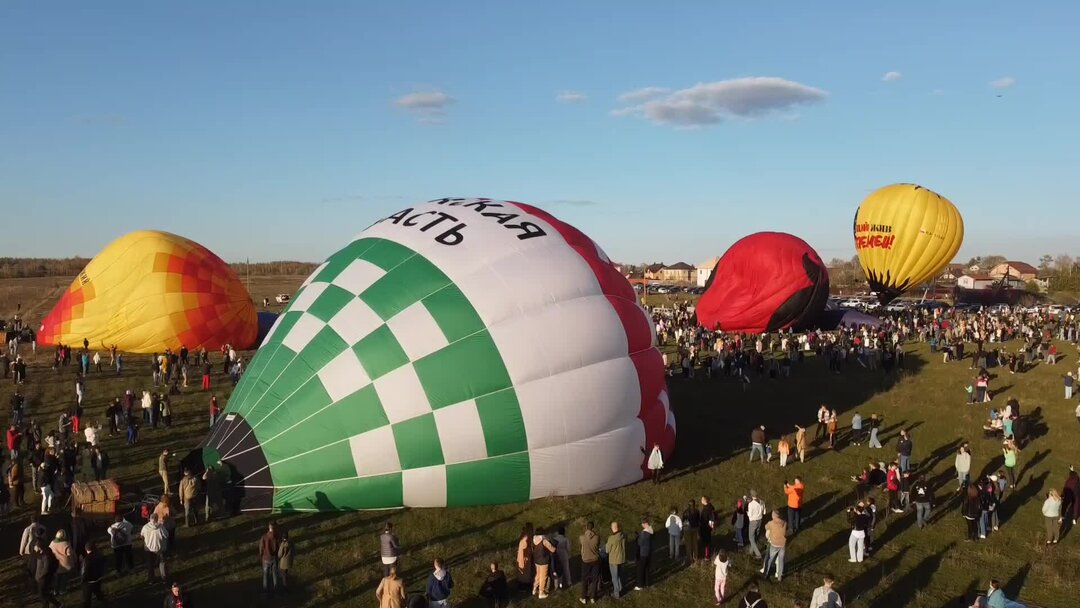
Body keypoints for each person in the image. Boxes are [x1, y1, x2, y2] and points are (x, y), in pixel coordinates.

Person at [32, 540, 62, 608]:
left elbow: (46, 568)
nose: (34, 547)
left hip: (43, 579)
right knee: (45, 594)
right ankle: (58, 604)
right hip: (40, 578)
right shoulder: (40, 553)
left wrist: (40, 576)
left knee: (43, 595)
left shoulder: (46, 555)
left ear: (39, 547)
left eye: (35, 546)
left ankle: (51, 605)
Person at [760, 510, 786, 582]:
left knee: (769, 559)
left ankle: (765, 574)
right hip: (782, 544)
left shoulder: (771, 523)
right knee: (781, 560)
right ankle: (780, 577)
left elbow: (766, 527)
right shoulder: (784, 523)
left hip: (774, 544)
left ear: (773, 516)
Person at [141, 513, 168, 583]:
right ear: (156, 519)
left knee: (150, 565)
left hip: (149, 549)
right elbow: (166, 535)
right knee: (162, 563)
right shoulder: (161, 527)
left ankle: (151, 579)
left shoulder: (145, 527)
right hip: (160, 548)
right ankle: (164, 578)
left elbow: (141, 536)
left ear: (150, 519)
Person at [579, 521, 601, 603]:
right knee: (595, 579)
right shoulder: (597, 537)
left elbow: (581, 547)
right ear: (593, 528)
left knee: (584, 579)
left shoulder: (582, 537)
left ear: (586, 528)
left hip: (585, 560)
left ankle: (583, 597)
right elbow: (598, 545)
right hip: (595, 560)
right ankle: (592, 597)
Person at [81, 542, 107, 607]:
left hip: (89, 581)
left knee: (87, 597)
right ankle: (102, 599)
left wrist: (83, 580)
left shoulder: (86, 560)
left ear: (86, 549)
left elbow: (85, 572)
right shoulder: (100, 555)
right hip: (98, 578)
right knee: (97, 590)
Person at [49, 529, 74, 595]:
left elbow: (49, 551)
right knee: (64, 578)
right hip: (65, 563)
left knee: (56, 577)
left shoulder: (52, 543)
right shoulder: (66, 544)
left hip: (56, 563)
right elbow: (69, 554)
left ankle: (55, 590)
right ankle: (62, 590)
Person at [606, 522, 626, 599]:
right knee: (620, 575)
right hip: (622, 558)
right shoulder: (623, 535)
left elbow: (607, 550)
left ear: (612, 528)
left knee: (614, 577)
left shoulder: (611, 538)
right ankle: (620, 588)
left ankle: (616, 593)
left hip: (614, 560)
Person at [260, 522, 281, 593]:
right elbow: (280, 548)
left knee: (265, 575)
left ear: (269, 527)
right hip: (274, 558)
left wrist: (262, 555)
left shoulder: (264, 537)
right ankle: (276, 590)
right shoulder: (277, 537)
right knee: (275, 575)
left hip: (265, 559)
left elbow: (261, 549)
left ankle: (266, 591)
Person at [634, 518, 654, 590]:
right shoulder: (651, 531)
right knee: (647, 569)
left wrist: (638, 537)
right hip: (649, 552)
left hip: (643, 553)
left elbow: (640, 543)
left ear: (645, 524)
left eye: (642, 524)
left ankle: (640, 585)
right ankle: (647, 583)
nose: (642, 525)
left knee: (640, 569)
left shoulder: (644, 533)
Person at [747, 491, 766, 559]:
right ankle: (751, 551)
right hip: (760, 521)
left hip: (753, 522)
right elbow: (764, 512)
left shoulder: (751, 504)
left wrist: (747, 513)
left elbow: (750, 515)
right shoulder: (762, 502)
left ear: (752, 496)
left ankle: (758, 554)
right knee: (755, 537)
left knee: (751, 538)